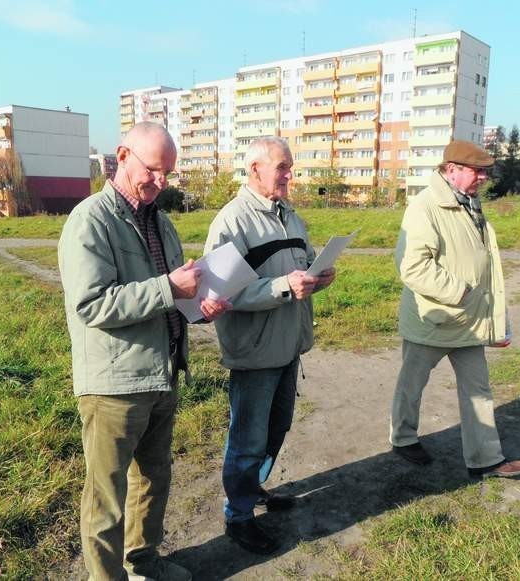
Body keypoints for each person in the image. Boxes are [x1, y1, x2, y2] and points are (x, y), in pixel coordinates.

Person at [58, 122, 230, 581]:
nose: (161, 182)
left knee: (154, 480)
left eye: (168, 173)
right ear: (122, 156)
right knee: (106, 497)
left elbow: (172, 294)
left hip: (162, 375)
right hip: (114, 385)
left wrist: (199, 306)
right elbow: (91, 303)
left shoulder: (162, 220)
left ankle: (143, 563)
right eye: (154, 170)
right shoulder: (90, 220)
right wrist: (169, 287)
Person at [204, 137, 336, 554]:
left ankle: (253, 488)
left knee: (277, 426)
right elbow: (221, 294)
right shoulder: (232, 222)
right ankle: (238, 517)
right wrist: (284, 286)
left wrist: (317, 274)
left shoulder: (290, 215)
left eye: (290, 167)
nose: (289, 175)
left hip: (289, 343)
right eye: (282, 167)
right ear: (255, 169)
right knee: (247, 436)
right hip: (255, 350)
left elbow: (302, 263)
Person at [390, 140, 520, 479]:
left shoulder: (469, 202)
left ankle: (486, 458)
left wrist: (493, 315)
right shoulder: (426, 206)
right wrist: (461, 292)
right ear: (451, 170)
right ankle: (403, 438)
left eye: (485, 171)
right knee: (412, 383)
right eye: (477, 171)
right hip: (435, 320)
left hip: (469, 322)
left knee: (479, 390)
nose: (483, 177)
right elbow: (411, 266)